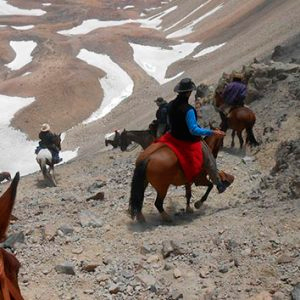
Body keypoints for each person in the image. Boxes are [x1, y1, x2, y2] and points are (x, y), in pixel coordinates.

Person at [168, 78, 228, 193]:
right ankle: (218, 184)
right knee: (209, 158)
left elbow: (168, 122)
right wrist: (212, 132)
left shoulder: (170, 105)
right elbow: (193, 130)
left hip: (172, 137)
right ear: (189, 92)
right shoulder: (189, 109)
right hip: (187, 140)